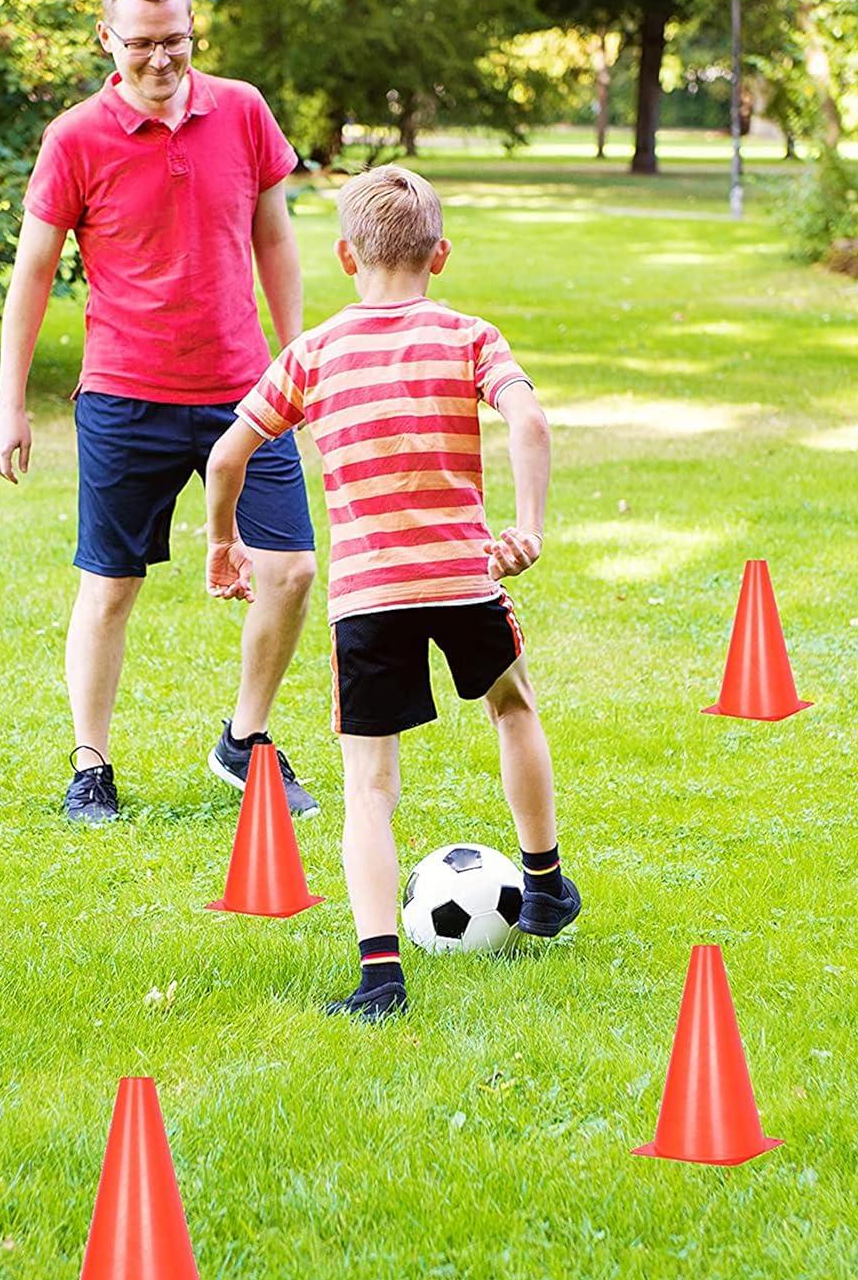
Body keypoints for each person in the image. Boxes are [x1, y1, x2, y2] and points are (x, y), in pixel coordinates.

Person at [204, 165, 581, 1021]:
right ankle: (547, 883)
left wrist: (223, 544)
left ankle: (380, 978)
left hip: (370, 596)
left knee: (369, 785)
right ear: (439, 255)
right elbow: (529, 418)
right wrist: (526, 525)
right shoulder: (471, 337)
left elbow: (228, 455)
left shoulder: (314, 353)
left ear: (345, 255)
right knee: (513, 708)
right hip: (461, 575)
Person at [0, 0, 320, 825]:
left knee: (289, 572)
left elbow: (275, 244)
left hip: (246, 395)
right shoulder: (75, 137)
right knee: (110, 584)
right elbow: (31, 275)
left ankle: (244, 743)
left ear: (193, 29)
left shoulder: (242, 111)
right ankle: (91, 764)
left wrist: (298, 362)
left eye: (176, 40)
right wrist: (10, 403)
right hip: (125, 395)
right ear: (107, 38)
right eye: (141, 44)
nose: (161, 60)